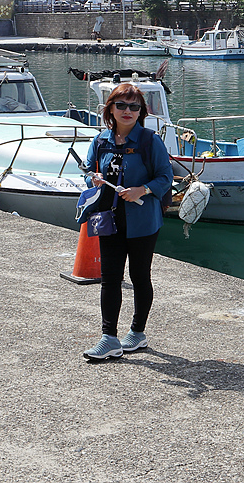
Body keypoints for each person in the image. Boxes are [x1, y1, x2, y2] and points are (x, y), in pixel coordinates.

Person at [81, 82, 173, 360]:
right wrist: (92, 179)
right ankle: (109, 338)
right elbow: (88, 171)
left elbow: (165, 177)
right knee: (110, 279)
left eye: (134, 106)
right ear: (110, 108)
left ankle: (138, 332)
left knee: (139, 276)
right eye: (121, 105)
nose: (127, 111)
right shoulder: (100, 141)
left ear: (141, 112)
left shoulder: (149, 141)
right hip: (109, 219)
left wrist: (141, 190)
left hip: (143, 220)